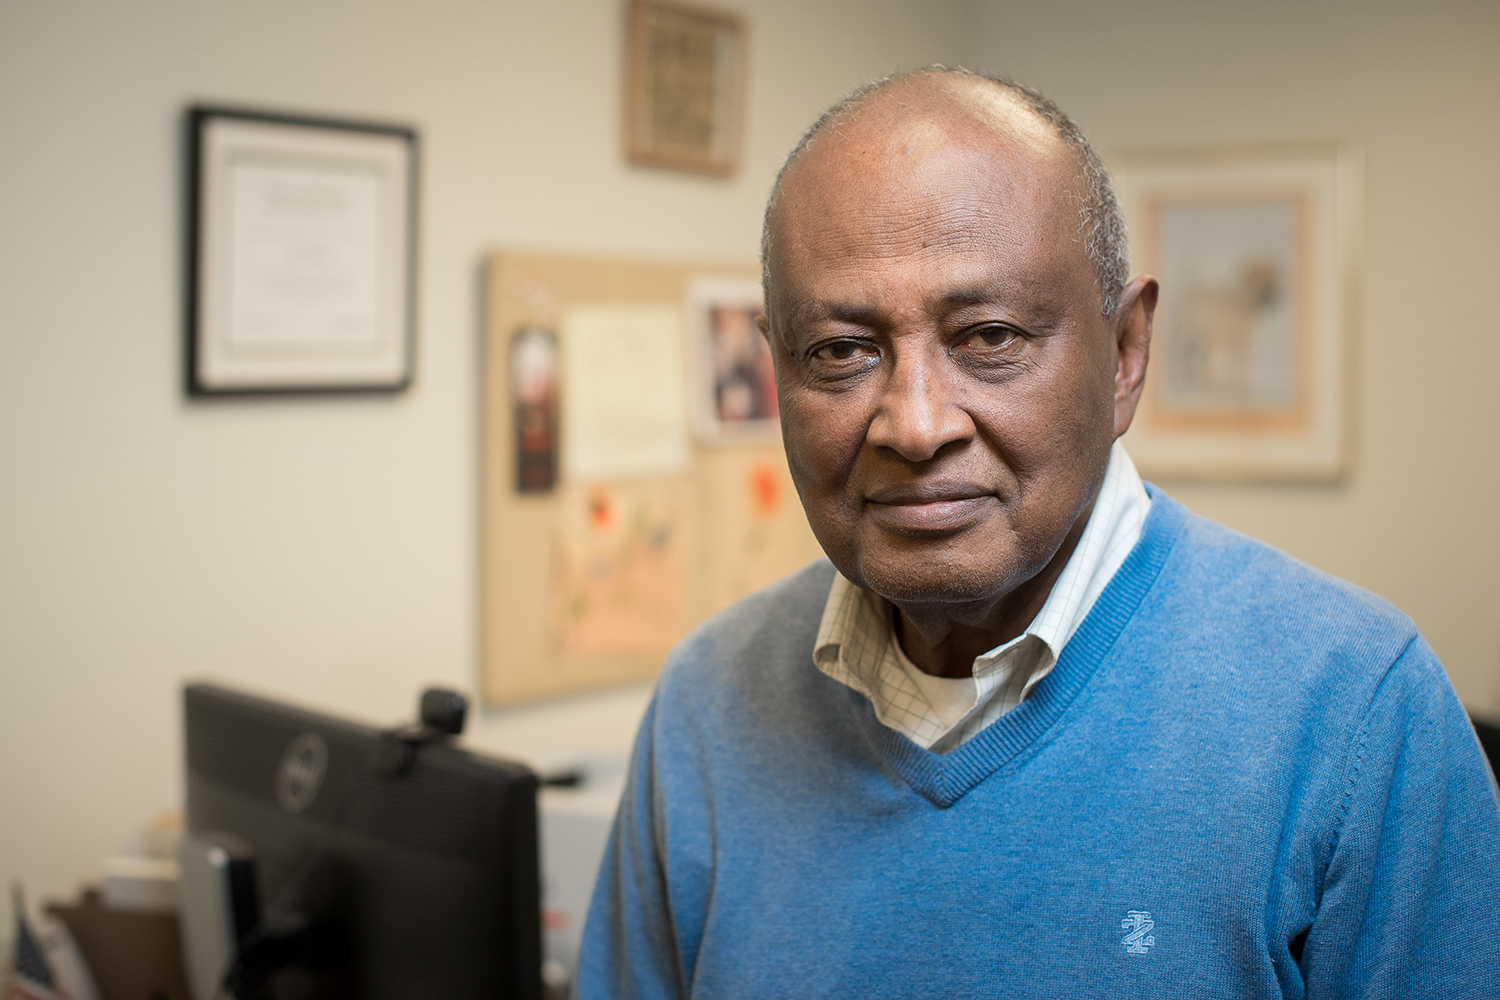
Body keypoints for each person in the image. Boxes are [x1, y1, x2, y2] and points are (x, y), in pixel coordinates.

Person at [575, 68, 1500, 998]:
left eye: (989, 336)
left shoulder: (1356, 716)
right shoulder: (708, 706)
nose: (915, 423)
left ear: (1127, 353)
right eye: (840, 352)